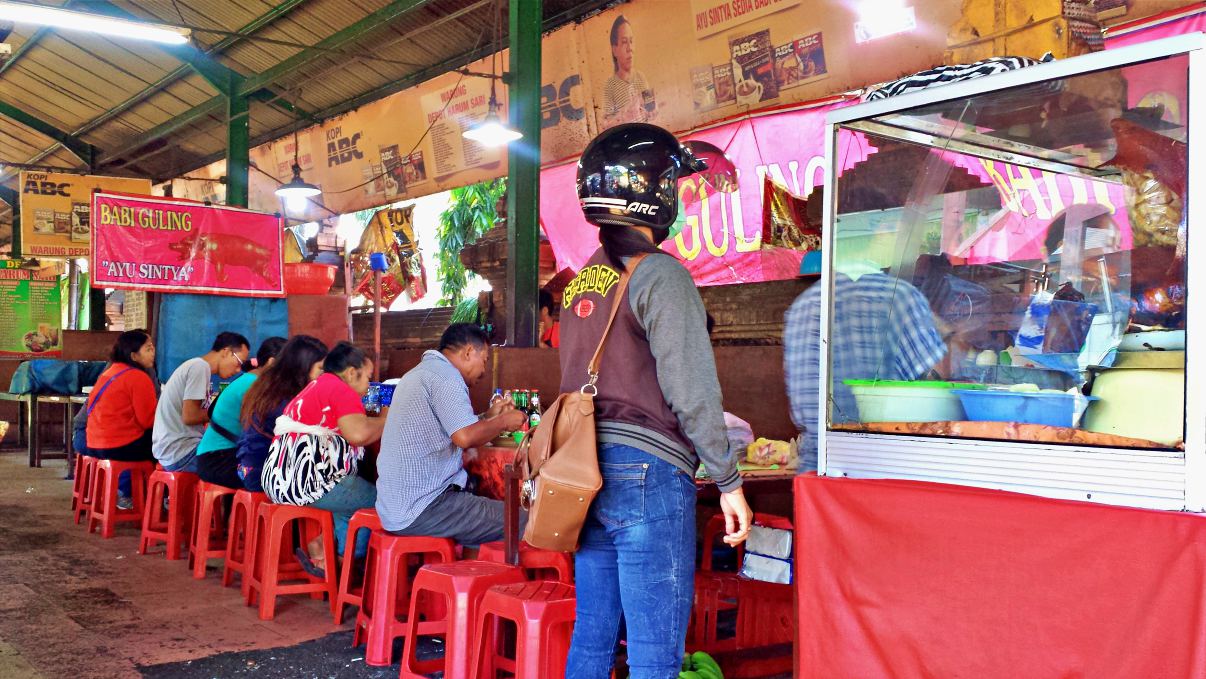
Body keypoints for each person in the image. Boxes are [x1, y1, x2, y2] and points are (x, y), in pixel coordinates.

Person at [565, 123, 752, 679]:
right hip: (647, 473)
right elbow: (691, 390)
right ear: (654, 192)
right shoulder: (662, 276)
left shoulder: (583, 283)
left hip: (585, 470)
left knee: (592, 639)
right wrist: (728, 481)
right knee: (654, 654)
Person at [375, 324, 527, 547]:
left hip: (397, 507)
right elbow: (465, 437)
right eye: (484, 360)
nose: (484, 370)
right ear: (467, 352)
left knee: (487, 509)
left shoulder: (421, 373)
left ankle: (470, 573)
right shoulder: (446, 377)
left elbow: (454, 427)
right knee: (525, 520)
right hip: (424, 507)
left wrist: (488, 416)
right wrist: (503, 421)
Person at [783, 268, 948, 471]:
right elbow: (936, 382)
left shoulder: (801, 306)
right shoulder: (901, 296)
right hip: (883, 466)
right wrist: (952, 337)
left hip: (818, 469)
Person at [263, 342, 383, 574]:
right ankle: (343, 566)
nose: (369, 385)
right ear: (350, 373)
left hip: (279, 479)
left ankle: (323, 547)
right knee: (379, 500)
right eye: (367, 377)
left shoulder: (318, 385)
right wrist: (390, 418)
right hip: (305, 482)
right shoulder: (341, 389)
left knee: (352, 498)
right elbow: (358, 434)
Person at [236, 335, 329, 493]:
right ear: (303, 366)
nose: (324, 374)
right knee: (357, 492)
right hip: (262, 474)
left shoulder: (269, 387)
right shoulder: (286, 399)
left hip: (246, 468)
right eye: (321, 368)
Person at [151, 332, 250, 474]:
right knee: (243, 467)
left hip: (171, 451)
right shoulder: (199, 367)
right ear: (226, 352)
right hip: (182, 452)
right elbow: (190, 416)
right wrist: (224, 413)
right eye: (239, 363)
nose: (238, 370)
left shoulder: (196, 367)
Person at [195, 337, 286, 489]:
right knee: (278, 480)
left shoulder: (248, 379)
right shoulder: (254, 386)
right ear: (271, 363)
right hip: (218, 461)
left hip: (213, 458)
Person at [83, 330, 159, 510]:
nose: (153, 352)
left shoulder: (110, 373)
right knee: (166, 447)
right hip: (119, 445)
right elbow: (148, 421)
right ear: (134, 355)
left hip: (94, 443)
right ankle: (153, 500)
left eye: (153, 347)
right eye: (148, 349)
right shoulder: (138, 377)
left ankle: (132, 494)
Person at [601, 14, 655, 128]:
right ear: (614, 50)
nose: (629, 48)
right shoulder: (610, 86)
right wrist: (624, 116)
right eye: (624, 42)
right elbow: (606, 125)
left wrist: (653, 111)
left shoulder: (641, 77)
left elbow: (650, 111)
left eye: (631, 41)